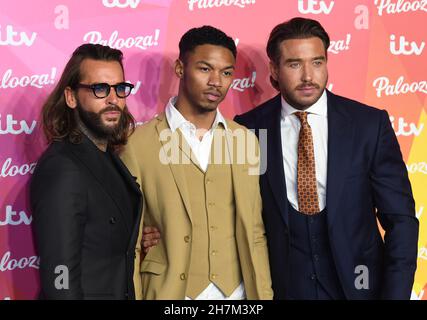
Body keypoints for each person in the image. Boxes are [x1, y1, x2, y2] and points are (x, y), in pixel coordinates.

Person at [234, 17, 419, 300]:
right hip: (282, 290)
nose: (308, 76)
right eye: (295, 64)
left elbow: (401, 221)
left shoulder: (369, 125)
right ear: (274, 69)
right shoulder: (248, 129)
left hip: (360, 287)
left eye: (317, 62)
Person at [120, 26, 273, 300]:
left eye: (226, 73)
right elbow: (128, 243)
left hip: (237, 292)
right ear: (180, 68)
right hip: (171, 292)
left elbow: (255, 230)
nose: (217, 81)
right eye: (205, 69)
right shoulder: (138, 145)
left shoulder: (246, 141)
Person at [31, 43, 143, 299]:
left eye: (120, 88)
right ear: (71, 97)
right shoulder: (62, 168)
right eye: (100, 89)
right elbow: (60, 276)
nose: (113, 99)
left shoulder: (107, 157)